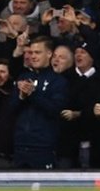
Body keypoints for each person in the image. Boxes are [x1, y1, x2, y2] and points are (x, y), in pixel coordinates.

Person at [9, 35, 68, 169]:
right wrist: (21, 97)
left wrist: (33, 94)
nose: (33, 56)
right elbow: (10, 109)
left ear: (49, 54)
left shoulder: (58, 81)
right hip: (20, 145)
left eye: (37, 52)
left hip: (44, 147)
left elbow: (55, 109)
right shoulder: (23, 77)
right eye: (31, 53)